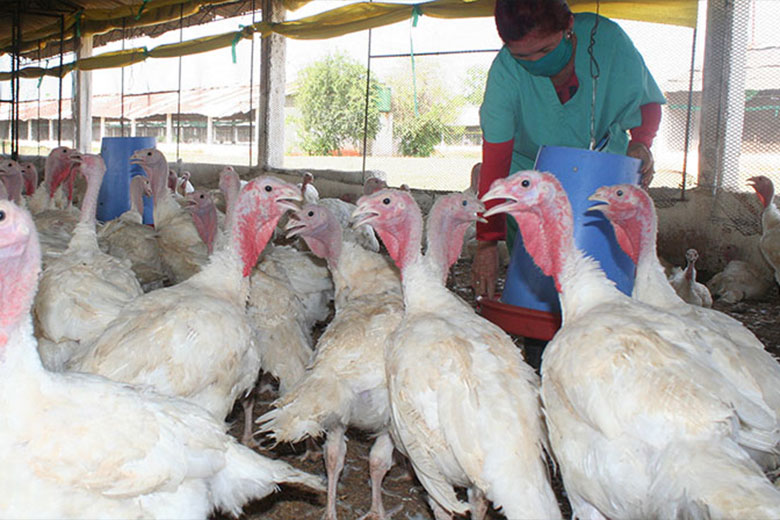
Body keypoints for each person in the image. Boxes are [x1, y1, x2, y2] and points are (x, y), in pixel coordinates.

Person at [471, 0, 665, 301]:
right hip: (531, 177)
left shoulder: (608, 40)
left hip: (600, 168)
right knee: (536, 277)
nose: (534, 61)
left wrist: (641, 142)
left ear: (569, 27)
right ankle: (538, 341)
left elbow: (646, 100)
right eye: (522, 55)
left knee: (601, 275)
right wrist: (486, 244)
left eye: (545, 50)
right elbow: (496, 159)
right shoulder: (505, 70)